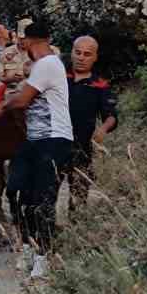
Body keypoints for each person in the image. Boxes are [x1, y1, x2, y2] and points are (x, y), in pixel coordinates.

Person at [0, 21, 72, 279]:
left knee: (43, 200)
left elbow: (21, 100)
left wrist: (1, 105)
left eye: (23, 43)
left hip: (53, 140)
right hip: (34, 140)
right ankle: (29, 246)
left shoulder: (47, 64)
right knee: (16, 192)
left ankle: (44, 256)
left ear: (29, 43)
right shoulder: (43, 66)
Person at [64, 35, 119, 216]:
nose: (81, 57)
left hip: (82, 145)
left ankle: (76, 223)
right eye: (77, 52)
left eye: (87, 54)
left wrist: (102, 129)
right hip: (55, 142)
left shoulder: (100, 85)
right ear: (71, 53)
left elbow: (111, 116)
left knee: (79, 191)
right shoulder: (59, 77)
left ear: (95, 57)